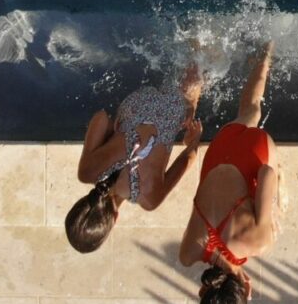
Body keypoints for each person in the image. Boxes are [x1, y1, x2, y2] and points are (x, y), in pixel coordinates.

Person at [178, 41, 281, 304]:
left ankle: (266, 51)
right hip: (219, 149)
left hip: (252, 150)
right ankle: (198, 51)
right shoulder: (187, 254)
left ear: (247, 290)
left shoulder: (258, 243)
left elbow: (266, 173)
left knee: (254, 113)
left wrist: (272, 210)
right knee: (247, 111)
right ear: (202, 292)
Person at [65, 62, 203, 253]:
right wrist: (116, 135)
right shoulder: (87, 172)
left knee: (191, 97)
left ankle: (199, 63)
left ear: (114, 219)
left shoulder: (149, 199)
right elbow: (101, 118)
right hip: (137, 104)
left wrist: (193, 141)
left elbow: (188, 159)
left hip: (171, 111)